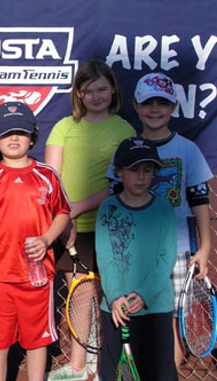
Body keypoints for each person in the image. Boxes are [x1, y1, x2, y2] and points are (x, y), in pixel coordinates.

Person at [107, 72, 213, 371]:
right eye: (148, 103)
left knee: (174, 317)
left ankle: (168, 373)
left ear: (173, 107)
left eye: (162, 103)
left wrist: (205, 247)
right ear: (137, 107)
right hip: (135, 252)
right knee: (141, 314)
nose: (155, 110)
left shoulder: (187, 150)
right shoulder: (126, 148)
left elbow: (199, 201)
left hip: (179, 250)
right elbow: (114, 201)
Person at [46, 59, 135, 380]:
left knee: (110, 297)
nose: (96, 96)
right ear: (78, 95)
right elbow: (52, 178)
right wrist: (63, 218)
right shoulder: (64, 127)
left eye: (102, 89)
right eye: (88, 91)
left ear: (113, 90)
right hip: (71, 228)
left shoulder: (124, 130)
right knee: (81, 296)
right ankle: (79, 366)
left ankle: (108, 364)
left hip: (110, 227)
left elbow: (118, 183)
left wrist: (74, 210)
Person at [0, 101, 71, 381]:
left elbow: (63, 213)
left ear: (33, 136)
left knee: (37, 341)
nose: (14, 139)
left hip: (36, 276)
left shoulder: (47, 175)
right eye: (6, 133)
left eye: (20, 132)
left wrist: (47, 238)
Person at [96, 136, 177, 380]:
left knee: (158, 372)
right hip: (118, 310)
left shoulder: (164, 210)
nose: (141, 176)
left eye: (147, 169)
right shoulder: (108, 208)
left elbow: (167, 258)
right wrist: (115, 297)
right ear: (119, 171)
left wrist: (144, 295)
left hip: (156, 308)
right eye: (133, 170)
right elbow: (106, 257)